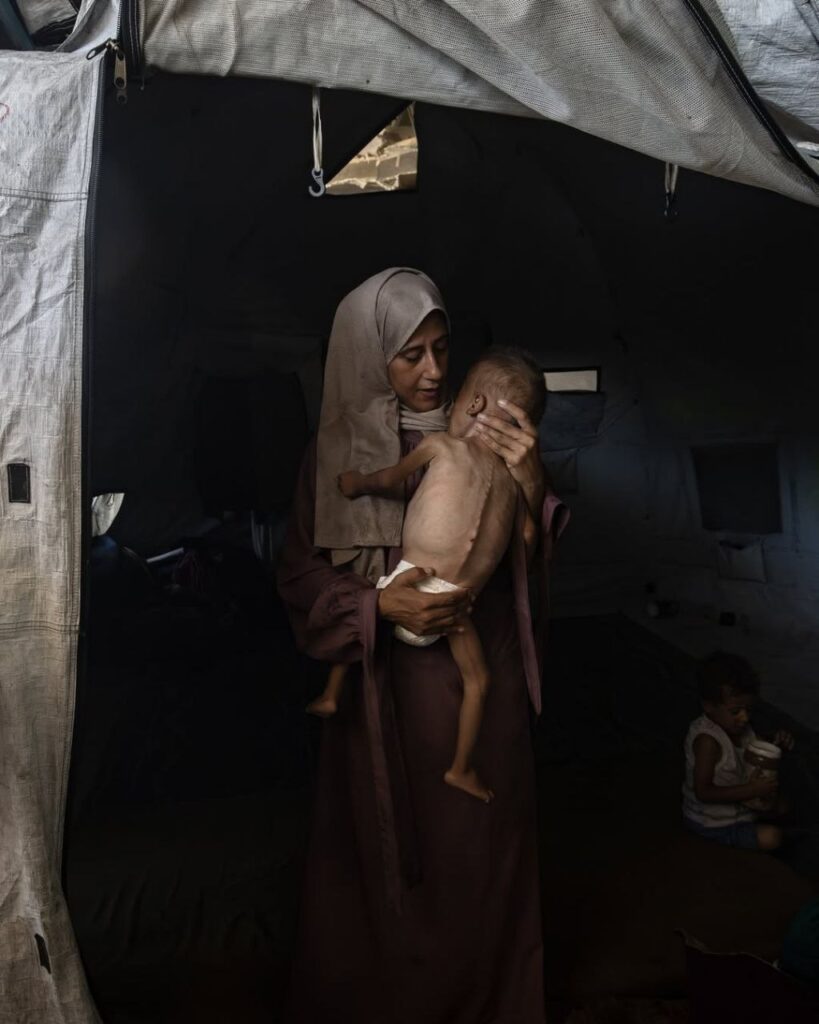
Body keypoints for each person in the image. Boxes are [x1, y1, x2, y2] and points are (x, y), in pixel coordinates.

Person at [278, 267, 567, 1024]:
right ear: (366, 354)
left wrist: (531, 482)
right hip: (382, 702)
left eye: (442, 349)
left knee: (478, 860)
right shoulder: (334, 455)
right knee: (383, 866)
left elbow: (523, 558)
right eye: (411, 355)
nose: (434, 371)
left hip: (477, 696)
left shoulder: (489, 432)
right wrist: (376, 602)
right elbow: (300, 575)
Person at [307, 348, 546, 805]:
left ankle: (333, 694)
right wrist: (526, 495)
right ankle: (460, 767)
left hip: (416, 581)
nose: (435, 372)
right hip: (455, 604)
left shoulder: (444, 447)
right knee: (479, 682)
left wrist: (357, 484)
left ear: (472, 403)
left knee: (361, 630)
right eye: (414, 353)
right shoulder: (511, 486)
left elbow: (390, 479)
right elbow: (528, 537)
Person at [682, 651, 794, 851]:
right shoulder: (708, 741)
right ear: (709, 706)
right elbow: (703, 792)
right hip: (713, 823)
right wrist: (753, 790)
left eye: (748, 710)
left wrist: (776, 740)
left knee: (784, 806)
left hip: (742, 806)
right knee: (772, 837)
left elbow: (755, 744)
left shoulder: (739, 727)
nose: (744, 718)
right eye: (735, 712)